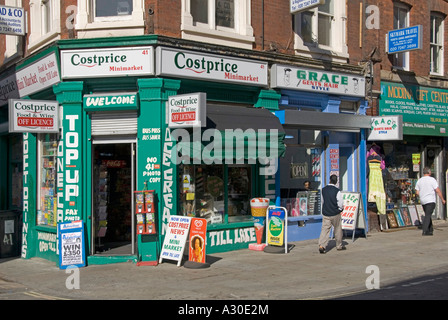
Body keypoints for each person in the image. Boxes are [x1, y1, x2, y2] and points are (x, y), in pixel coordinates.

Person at [318, 174, 345, 254]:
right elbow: (340, 203)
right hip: (335, 213)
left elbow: (322, 201)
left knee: (325, 230)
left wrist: (325, 208)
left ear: (329, 180)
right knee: (337, 229)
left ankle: (322, 245)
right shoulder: (337, 191)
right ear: (336, 182)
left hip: (326, 213)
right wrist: (340, 209)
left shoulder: (323, 190)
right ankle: (339, 245)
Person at [415, 167, 446, 236]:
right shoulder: (432, 180)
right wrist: (442, 199)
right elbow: (437, 190)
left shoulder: (419, 180)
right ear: (429, 172)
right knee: (428, 215)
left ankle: (430, 229)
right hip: (430, 200)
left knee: (428, 214)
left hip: (423, 200)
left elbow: (417, 192)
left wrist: (420, 196)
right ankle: (425, 231)